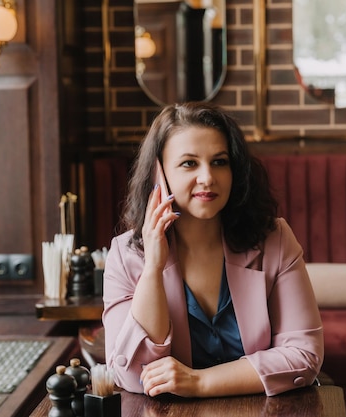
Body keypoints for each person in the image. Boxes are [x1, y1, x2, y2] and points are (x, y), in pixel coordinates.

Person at [102, 102, 323, 398]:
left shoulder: (274, 238)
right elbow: (131, 375)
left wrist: (198, 382)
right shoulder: (124, 255)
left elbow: (303, 355)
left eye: (219, 161)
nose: (207, 178)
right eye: (189, 163)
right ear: (159, 175)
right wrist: (153, 268)